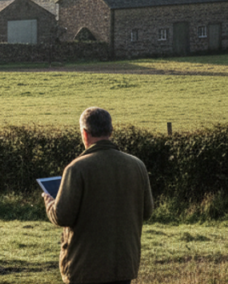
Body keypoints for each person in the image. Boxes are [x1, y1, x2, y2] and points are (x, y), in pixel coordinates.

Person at [43, 107, 154, 284]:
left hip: (85, 267)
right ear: (111, 131)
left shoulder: (76, 168)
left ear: (84, 133)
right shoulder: (137, 165)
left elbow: (62, 216)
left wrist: (49, 202)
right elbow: (147, 212)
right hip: (124, 266)